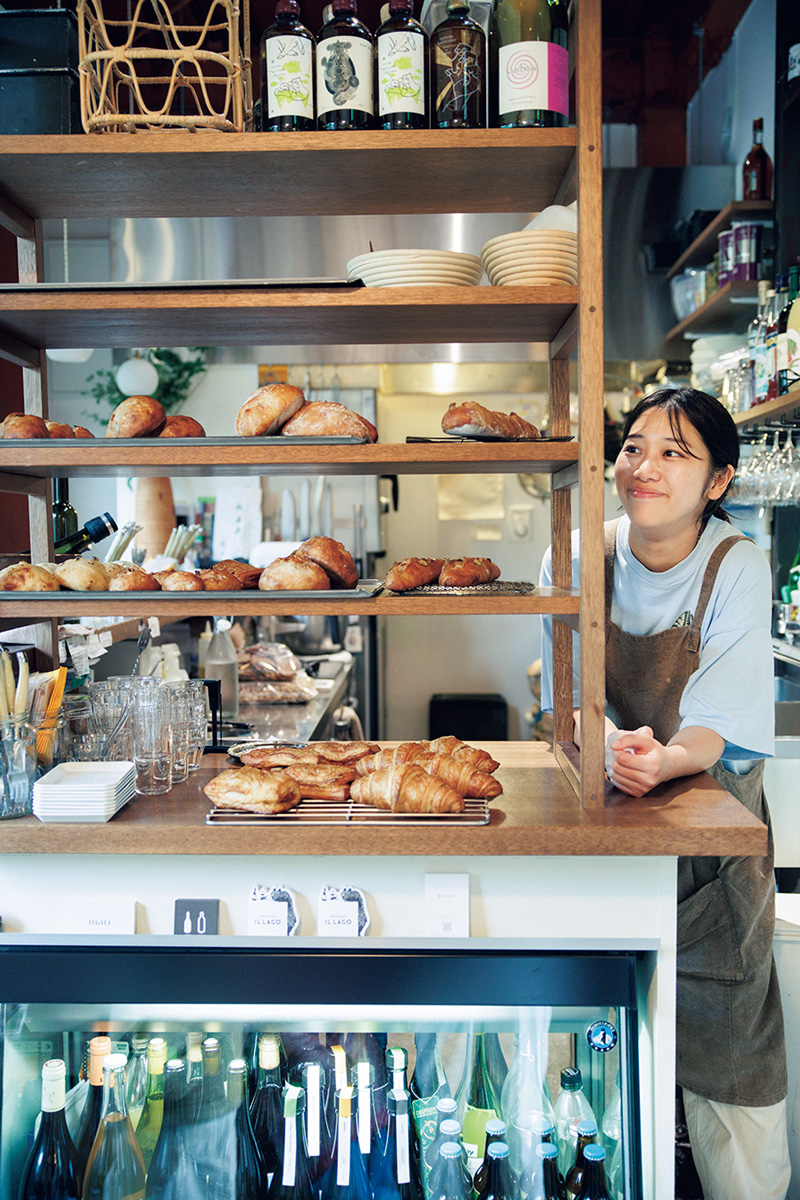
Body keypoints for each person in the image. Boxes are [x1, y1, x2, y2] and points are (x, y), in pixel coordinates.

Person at [539, 386, 790, 1200]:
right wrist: (608, 742)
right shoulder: (577, 552)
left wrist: (664, 758)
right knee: (589, 1063)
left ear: (719, 480)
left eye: (675, 453)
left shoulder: (738, 563)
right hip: (602, 835)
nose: (644, 467)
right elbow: (563, 692)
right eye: (633, 447)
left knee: (732, 1077)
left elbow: (720, 721)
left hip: (712, 854)